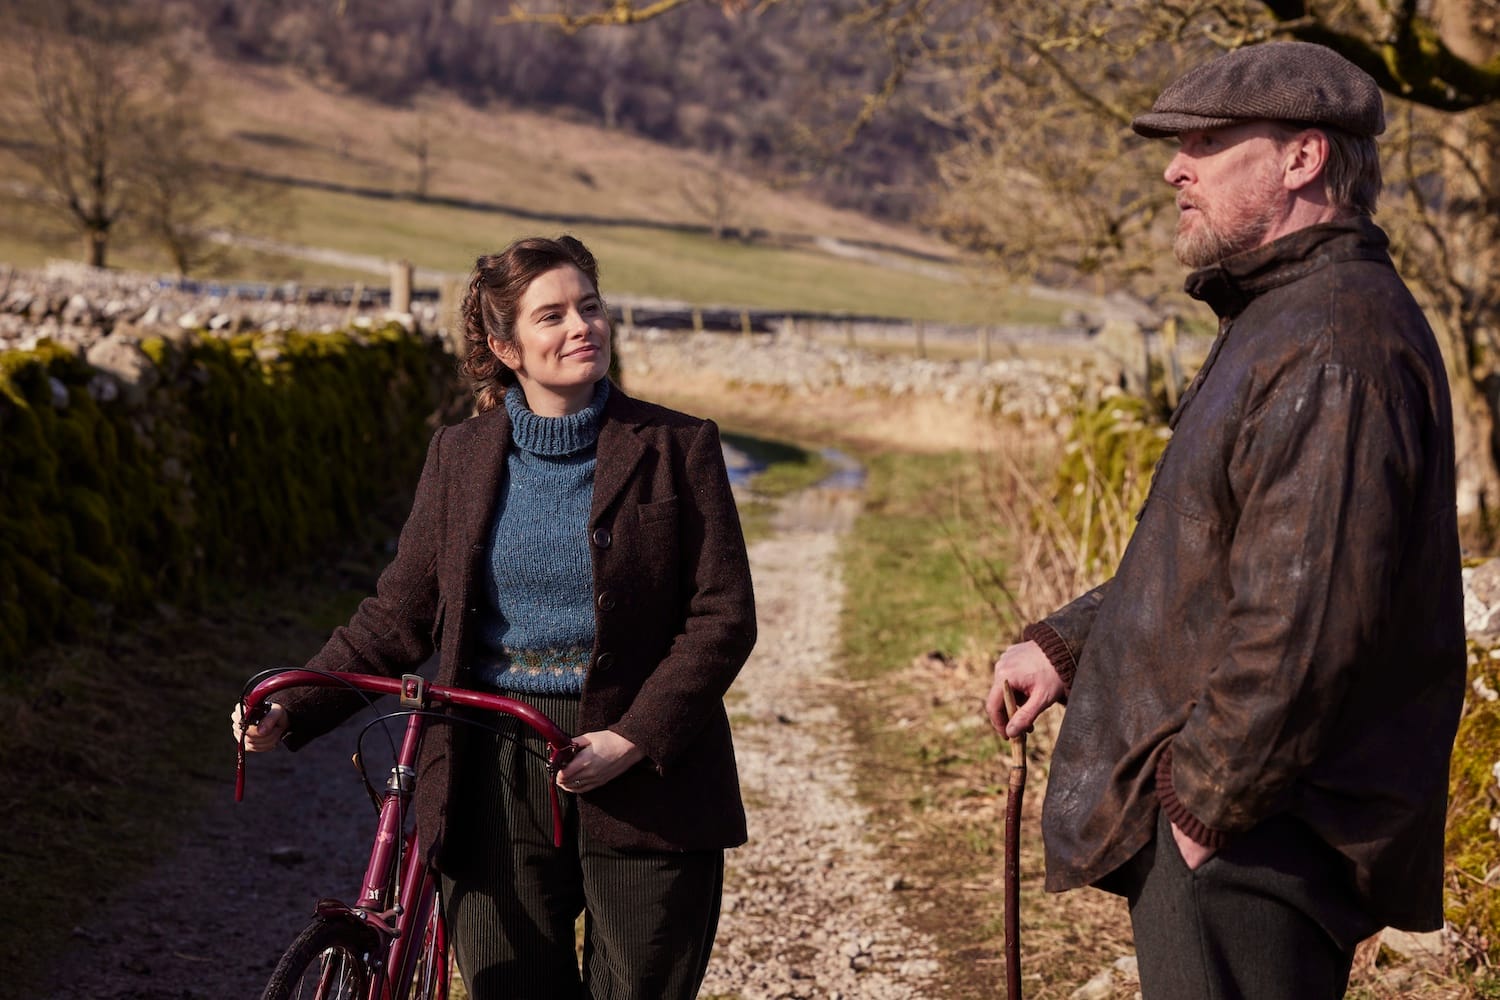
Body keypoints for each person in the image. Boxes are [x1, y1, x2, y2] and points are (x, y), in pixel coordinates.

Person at [985, 42, 1466, 1000]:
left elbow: (1308, 621)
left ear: (1303, 159)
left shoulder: (1331, 342)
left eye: (1206, 142)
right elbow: (1229, 552)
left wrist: (1202, 810)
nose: (1175, 168)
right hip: (1246, 830)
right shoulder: (1286, 318)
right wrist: (1072, 644)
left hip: (1259, 842)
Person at [231, 234, 757, 999]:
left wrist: (634, 739)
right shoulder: (459, 456)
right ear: (507, 346)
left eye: (591, 306)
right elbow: (397, 619)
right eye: (553, 315)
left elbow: (723, 617)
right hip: (485, 767)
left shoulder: (680, 447)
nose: (583, 326)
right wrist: (292, 702)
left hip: (644, 774)